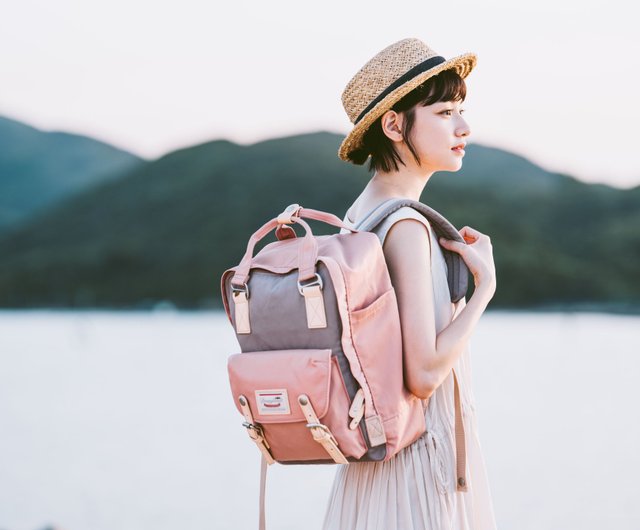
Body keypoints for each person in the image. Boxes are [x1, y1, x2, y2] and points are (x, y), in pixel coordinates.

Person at [322, 38, 498, 529]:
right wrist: (483, 289)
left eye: (461, 110)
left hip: (375, 464)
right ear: (394, 124)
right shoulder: (406, 227)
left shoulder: (357, 217)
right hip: (416, 465)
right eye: (444, 112)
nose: (463, 127)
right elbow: (422, 376)